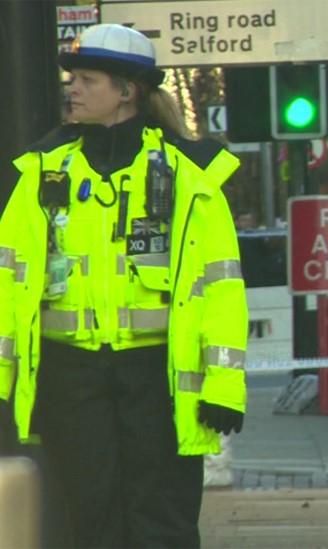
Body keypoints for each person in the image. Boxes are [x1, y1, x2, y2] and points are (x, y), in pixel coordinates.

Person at [0, 24, 247, 547]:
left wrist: (225, 388)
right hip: (71, 377)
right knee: (84, 520)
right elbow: (8, 282)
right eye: (73, 79)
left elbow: (221, 287)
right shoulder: (43, 170)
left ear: (127, 91)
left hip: (156, 377)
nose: (73, 89)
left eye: (88, 80)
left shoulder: (190, 176)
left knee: (163, 521)